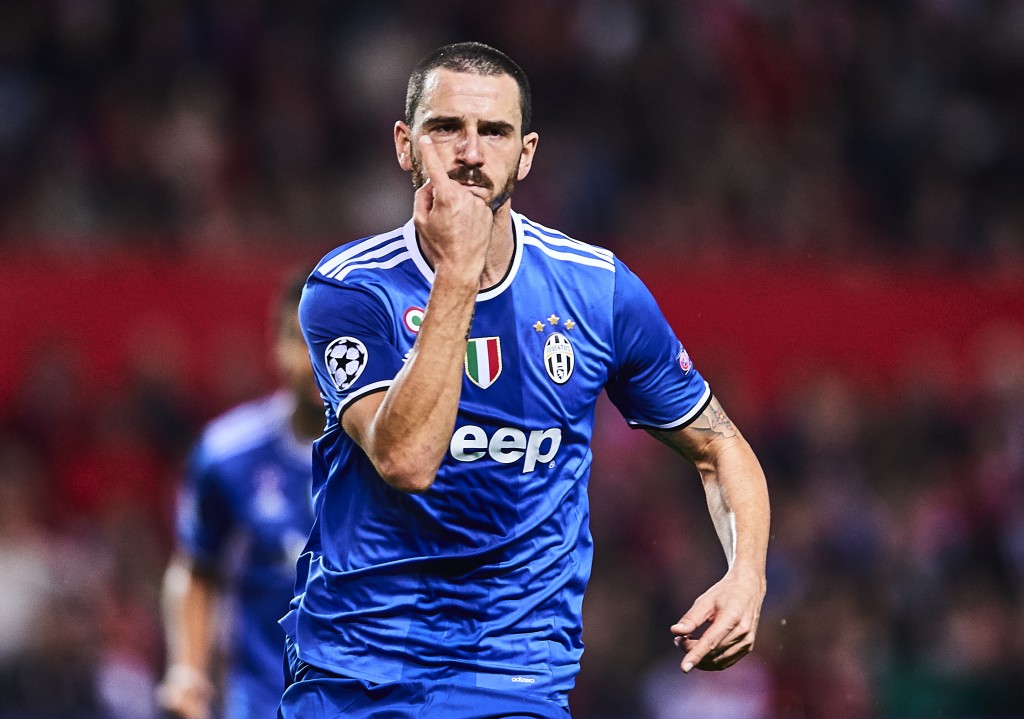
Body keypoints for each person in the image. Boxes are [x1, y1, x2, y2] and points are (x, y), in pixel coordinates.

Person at [281, 41, 770, 718]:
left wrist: (747, 576)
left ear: (527, 152)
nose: (470, 152)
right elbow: (407, 459)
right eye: (445, 127)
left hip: (513, 678)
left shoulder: (597, 291)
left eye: (494, 131)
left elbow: (720, 445)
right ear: (404, 144)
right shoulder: (352, 290)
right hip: (355, 671)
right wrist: (460, 271)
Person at [158, 275, 321, 719]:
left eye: (331, 340)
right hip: (263, 701)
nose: (316, 358)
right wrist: (187, 672)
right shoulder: (227, 454)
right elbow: (196, 567)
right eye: (301, 339)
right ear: (277, 345)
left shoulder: (395, 459)